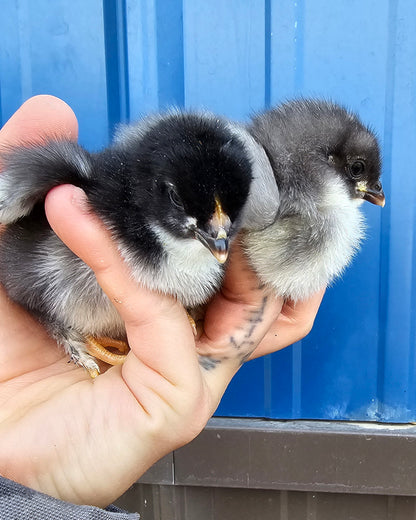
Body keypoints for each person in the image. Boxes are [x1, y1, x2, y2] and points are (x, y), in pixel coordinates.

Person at [0, 96, 324, 518]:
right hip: (45, 293)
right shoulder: (87, 189)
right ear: (154, 187)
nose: (220, 240)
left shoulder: (209, 241)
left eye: (228, 218)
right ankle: (66, 330)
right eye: (195, 213)